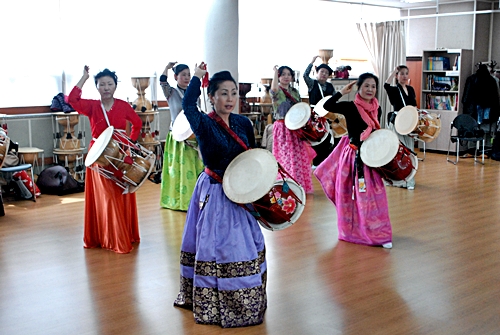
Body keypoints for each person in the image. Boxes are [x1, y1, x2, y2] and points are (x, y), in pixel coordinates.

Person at [173, 63, 267, 328]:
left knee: (245, 244)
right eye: (223, 93)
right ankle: (214, 302)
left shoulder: (243, 122)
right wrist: (197, 78)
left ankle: (245, 299)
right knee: (217, 245)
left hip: (241, 192)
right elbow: (188, 105)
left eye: (233, 93)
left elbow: (252, 155)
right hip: (215, 191)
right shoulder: (203, 123)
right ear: (212, 97)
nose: (229, 99)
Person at [68, 66, 142, 254]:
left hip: (119, 155)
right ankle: (112, 238)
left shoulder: (123, 106)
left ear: (115, 86)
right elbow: (72, 100)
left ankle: (122, 234)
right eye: (102, 84)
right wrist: (84, 77)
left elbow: (137, 124)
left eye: (110, 84)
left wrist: (130, 144)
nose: (106, 87)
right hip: (98, 157)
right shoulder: (92, 106)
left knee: (120, 194)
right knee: (107, 196)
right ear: (97, 87)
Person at [314, 73, 393, 249]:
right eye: (366, 86)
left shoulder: (376, 108)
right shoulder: (350, 107)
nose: (370, 90)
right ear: (359, 87)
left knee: (374, 196)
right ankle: (352, 230)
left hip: (371, 157)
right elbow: (327, 106)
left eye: (373, 86)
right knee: (354, 196)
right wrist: (341, 91)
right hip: (354, 157)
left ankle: (378, 232)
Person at [159, 62, 204, 211]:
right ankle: (178, 200)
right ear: (175, 77)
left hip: (192, 135)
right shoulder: (170, 92)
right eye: (183, 75)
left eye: (188, 75)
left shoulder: (193, 93)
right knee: (178, 168)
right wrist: (166, 67)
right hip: (178, 137)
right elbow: (162, 81)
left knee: (193, 166)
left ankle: (194, 198)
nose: (186, 78)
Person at [271, 65, 315, 193]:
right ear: (279, 76)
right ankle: (287, 186)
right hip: (282, 128)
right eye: (283, 74)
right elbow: (273, 89)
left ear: (291, 77)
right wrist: (274, 72)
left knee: (298, 157)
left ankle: (300, 185)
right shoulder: (276, 90)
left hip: (296, 127)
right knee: (285, 158)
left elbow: (300, 108)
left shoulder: (295, 91)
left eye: (288, 74)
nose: (286, 77)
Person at [384, 65, 417, 190]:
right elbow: (386, 85)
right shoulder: (394, 89)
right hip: (398, 122)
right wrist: (393, 72)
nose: (404, 76)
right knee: (400, 151)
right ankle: (399, 179)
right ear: (397, 76)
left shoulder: (411, 89)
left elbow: (414, 105)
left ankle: (409, 178)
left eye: (406, 73)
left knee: (410, 150)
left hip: (409, 122)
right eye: (401, 74)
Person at [303, 55, 337, 166]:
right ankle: (315, 162)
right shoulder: (312, 83)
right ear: (317, 72)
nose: (324, 74)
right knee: (314, 137)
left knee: (327, 138)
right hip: (314, 116)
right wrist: (312, 61)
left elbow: (335, 99)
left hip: (327, 115)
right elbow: (304, 75)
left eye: (326, 73)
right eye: (322, 71)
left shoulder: (330, 87)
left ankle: (326, 162)